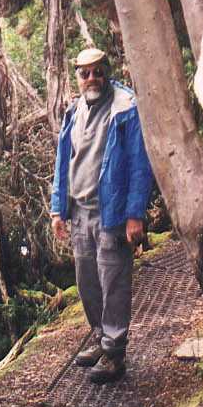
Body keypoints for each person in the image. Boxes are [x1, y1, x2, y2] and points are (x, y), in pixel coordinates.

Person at [50, 47, 154, 384]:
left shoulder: (125, 108)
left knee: (114, 283)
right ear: (77, 77)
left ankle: (114, 353)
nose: (92, 78)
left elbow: (140, 165)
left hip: (112, 213)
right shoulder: (73, 111)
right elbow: (63, 161)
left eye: (98, 71)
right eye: (85, 73)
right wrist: (57, 208)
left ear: (107, 72)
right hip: (80, 213)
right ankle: (99, 336)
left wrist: (135, 215)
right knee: (88, 283)